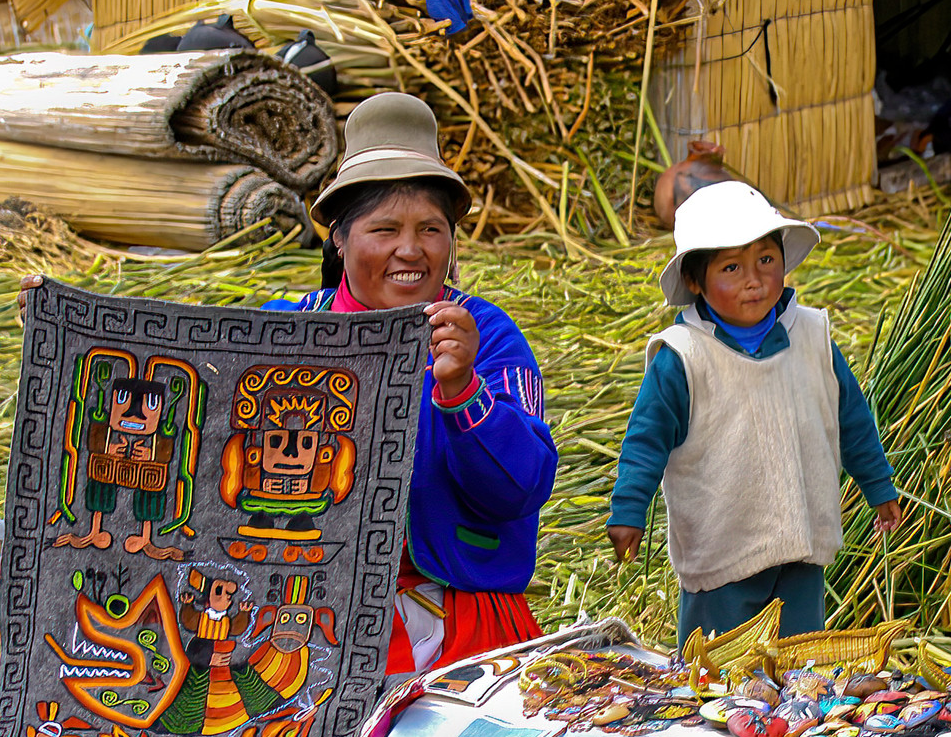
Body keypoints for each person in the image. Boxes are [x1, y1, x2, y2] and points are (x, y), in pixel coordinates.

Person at [262, 92, 558, 673]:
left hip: (456, 622)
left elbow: (521, 489)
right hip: (299, 626)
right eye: (384, 229)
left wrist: (462, 392)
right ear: (340, 240)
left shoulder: (484, 335)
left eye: (430, 228)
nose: (410, 249)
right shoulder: (286, 332)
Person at [607, 181, 902, 643]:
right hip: (723, 551)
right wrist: (628, 510)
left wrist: (878, 484)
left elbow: (851, 419)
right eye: (731, 267)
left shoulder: (812, 337)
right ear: (694, 281)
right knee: (718, 685)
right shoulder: (682, 357)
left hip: (800, 544)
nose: (754, 279)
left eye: (766, 260)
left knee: (802, 669)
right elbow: (646, 440)